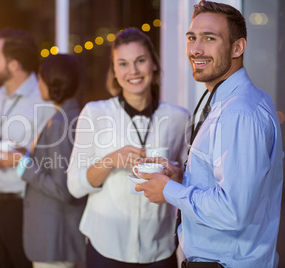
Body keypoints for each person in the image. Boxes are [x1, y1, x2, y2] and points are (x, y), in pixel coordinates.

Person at [135, 1, 284, 267]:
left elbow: (233, 210)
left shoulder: (239, 113)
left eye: (209, 38)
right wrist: (184, 177)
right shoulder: (229, 101)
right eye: (192, 38)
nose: (195, 49)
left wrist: (169, 191)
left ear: (237, 48)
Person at [67, 27, 190, 267]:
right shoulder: (95, 113)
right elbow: (74, 186)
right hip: (105, 248)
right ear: (114, 70)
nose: (132, 71)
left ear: (153, 64)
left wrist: (177, 175)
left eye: (140, 61)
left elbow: (190, 181)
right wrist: (110, 161)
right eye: (123, 63)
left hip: (159, 249)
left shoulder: (179, 118)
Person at [0, 28, 54, 268]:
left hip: (25, 207)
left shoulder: (43, 99)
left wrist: (19, 158)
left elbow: (54, 159)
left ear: (14, 64)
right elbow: (1, 141)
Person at [0, 54, 87, 268]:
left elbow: (62, 188)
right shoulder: (70, 115)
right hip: (58, 236)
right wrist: (27, 154)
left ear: (52, 83)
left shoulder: (59, 123)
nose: (38, 85)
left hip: (55, 240)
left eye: (41, 79)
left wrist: (22, 165)